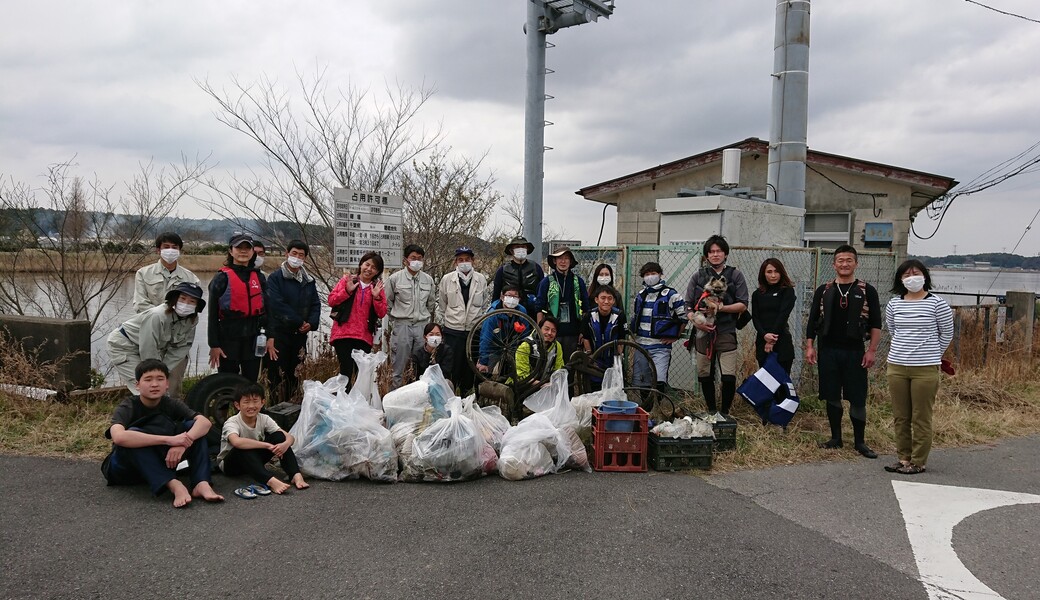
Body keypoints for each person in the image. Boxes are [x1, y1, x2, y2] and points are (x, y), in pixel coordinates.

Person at [102, 359, 223, 508]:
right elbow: (119, 437)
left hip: (159, 463)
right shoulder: (128, 406)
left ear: (167, 384)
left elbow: (205, 423)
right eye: (148, 380)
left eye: (160, 379)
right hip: (125, 469)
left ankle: (201, 483)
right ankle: (175, 485)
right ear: (137, 385)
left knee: (193, 427)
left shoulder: (171, 403)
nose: (154, 384)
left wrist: (183, 443)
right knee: (133, 434)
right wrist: (169, 440)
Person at [805, 244, 883, 459]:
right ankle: (835, 438)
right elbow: (812, 321)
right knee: (831, 395)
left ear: (856, 263)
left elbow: (876, 323)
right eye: (840, 260)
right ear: (834, 264)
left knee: (857, 397)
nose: (844, 264)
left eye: (849, 260)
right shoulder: (824, 290)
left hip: (855, 351)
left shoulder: (867, 290)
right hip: (828, 350)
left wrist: (872, 350)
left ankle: (860, 442)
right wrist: (810, 346)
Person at [883, 259, 954, 475]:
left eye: (916, 273)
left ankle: (919, 461)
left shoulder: (937, 304)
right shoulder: (894, 304)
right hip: (897, 366)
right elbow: (893, 330)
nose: (911, 278)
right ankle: (903, 458)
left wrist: (932, 353)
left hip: (925, 368)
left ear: (925, 276)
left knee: (921, 416)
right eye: (906, 275)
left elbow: (946, 333)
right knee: (901, 416)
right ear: (900, 279)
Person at [685, 235, 749, 416]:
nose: (715, 254)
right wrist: (694, 320)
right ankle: (712, 411)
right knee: (704, 373)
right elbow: (687, 304)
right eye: (711, 252)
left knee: (728, 375)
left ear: (725, 254)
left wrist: (721, 308)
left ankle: (725, 412)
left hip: (726, 330)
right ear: (706, 255)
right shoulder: (698, 276)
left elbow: (743, 304)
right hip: (702, 331)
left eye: (719, 251)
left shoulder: (735, 275)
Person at [133, 231, 201, 399]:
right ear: (158, 250)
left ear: (179, 251)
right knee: (148, 387)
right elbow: (140, 305)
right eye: (166, 247)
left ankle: (171, 415)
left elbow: (192, 311)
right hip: (150, 338)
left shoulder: (191, 278)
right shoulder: (143, 273)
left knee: (172, 389)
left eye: (174, 247)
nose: (170, 250)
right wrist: (162, 318)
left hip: (176, 341)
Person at [108, 282, 205, 394]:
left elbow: (181, 347)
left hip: (154, 348)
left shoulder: (192, 320)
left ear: (196, 305)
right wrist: (156, 373)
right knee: (146, 387)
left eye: (192, 301)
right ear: (174, 299)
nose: (186, 304)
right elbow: (148, 347)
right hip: (125, 345)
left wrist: (164, 369)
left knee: (158, 387)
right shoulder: (157, 315)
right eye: (182, 299)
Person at [216, 383, 308, 495]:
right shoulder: (232, 422)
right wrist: (267, 445)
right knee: (241, 447)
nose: (251, 406)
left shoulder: (264, 419)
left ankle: (295, 475)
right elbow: (236, 442)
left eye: (255, 401)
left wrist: (285, 444)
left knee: (279, 436)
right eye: (246, 402)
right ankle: (270, 481)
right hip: (232, 465)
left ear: (262, 402)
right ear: (237, 405)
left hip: (253, 460)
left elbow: (289, 437)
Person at [208, 233, 274, 382]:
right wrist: (214, 345)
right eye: (239, 248)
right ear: (231, 251)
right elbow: (212, 315)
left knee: (250, 381)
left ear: (252, 252)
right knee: (227, 381)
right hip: (228, 337)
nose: (243, 251)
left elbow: (269, 310)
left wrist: (270, 336)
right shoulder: (221, 278)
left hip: (253, 337)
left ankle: (250, 398)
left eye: (247, 248)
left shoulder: (259, 277)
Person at [264, 240, 321, 404]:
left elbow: (315, 304)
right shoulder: (275, 278)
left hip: (300, 336)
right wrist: (299, 321)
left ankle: (293, 409)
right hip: (280, 335)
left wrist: (311, 323)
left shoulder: (308, 280)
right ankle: (276, 409)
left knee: (295, 375)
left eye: (301, 255)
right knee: (277, 376)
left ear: (305, 258)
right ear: (286, 254)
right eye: (294, 253)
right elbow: (276, 305)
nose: (297, 257)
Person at [328, 251, 388, 388]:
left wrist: (376, 297)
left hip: (364, 336)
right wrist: (347, 291)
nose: (369, 269)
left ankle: (356, 399)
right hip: (343, 334)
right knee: (346, 373)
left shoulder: (377, 288)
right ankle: (343, 399)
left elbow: (382, 313)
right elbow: (331, 300)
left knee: (360, 374)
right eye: (367, 264)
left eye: (374, 267)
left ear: (377, 272)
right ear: (361, 264)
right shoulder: (348, 280)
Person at [437, 246, 489, 396]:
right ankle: (451, 397)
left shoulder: (481, 279)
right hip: (453, 330)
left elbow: (485, 305)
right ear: (456, 262)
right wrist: (444, 325)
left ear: (473, 261)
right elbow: (442, 305)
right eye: (460, 260)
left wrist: (479, 323)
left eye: (467, 259)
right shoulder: (447, 279)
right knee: (453, 367)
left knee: (470, 368)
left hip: (474, 331)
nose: (464, 262)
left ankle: (468, 397)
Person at [385, 244, 437, 389]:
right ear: (405, 260)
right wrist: (397, 319)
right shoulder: (394, 279)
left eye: (419, 258)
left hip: (421, 327)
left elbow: (431, 303)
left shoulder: (428, 280)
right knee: (398, 367)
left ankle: (417, 395)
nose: (416, 261)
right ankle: (394, 397)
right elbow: (387, 302)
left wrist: (424, 318)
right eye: (413, 258)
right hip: (402, 326)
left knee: (421, 365)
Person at [632, 262, 686, 394]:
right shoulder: (640, 295)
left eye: (653, 273)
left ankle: (658, 404)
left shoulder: (671, 294)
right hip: (641, 345)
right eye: (647, 274)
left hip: (660, 347)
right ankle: (647, 405)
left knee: (659, 381)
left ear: (660, 274)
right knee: (642, 382)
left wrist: (676, 336)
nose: (650, 276)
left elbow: (684, 317)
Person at [535, 246, 589, 362]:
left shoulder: (578, 281)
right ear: (555, 261)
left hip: (573, 331)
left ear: (571, 261)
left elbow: (585, 308)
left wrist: (583, 331)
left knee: (570, 363)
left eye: (566, 258)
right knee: (550, 362)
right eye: (560, 258)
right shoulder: (546, 282)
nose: (563, 261)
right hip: (552, 332)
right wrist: (540, 330)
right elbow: (539, 307)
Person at [751, 258, 797, 374]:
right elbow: (755, 317)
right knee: (765, 380)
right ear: (763, 274)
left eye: (776, 271)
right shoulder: (757, 294)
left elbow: (783, 315)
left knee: (781, 381)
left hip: (781, 342)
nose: (773, 275)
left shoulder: (787, 291)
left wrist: (771, 341)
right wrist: (764, 335)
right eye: (769, 272)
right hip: (762, 341)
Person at [580, 285, 628, 391]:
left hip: (612, 359)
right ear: (596, 300)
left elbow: (621, 339)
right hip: (595, 360)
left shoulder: (620, 316)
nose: (606, 301)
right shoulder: (589, 316)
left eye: (610, 298)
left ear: (614, 301)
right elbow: (586, 338)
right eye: (603, 298)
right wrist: (591, 357)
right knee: (594, 389)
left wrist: (618, 359)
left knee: (614, 391)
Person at [477, 285, 530, 377]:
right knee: (487, 373)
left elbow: (525, 334)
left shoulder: (522, 311)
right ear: (502, 296)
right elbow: (486, 339)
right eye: (509, 295)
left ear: (519, 299)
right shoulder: (492, 314)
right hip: (494, 349)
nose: (512, 299)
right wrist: (483, 361)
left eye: (515, 297)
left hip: (514, 348)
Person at [491, 236, 544, 315]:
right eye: (517, 247)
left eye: (523, 247)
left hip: (532, 312)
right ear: (511, 250)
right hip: (509, 312)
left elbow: (542, 293)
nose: (520, 249)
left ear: (527, 249)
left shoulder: (536, 268)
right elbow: (496, 295)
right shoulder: (503, 270)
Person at [515, 316, 565, 387]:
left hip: (545, 385)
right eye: (546, 329)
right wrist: (543, 385)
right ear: (539, 329)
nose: (549, 333)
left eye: (553, 331)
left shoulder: (557, 346)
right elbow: (522, 376)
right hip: (522, 387)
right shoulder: (525, 346)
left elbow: (558, 369)